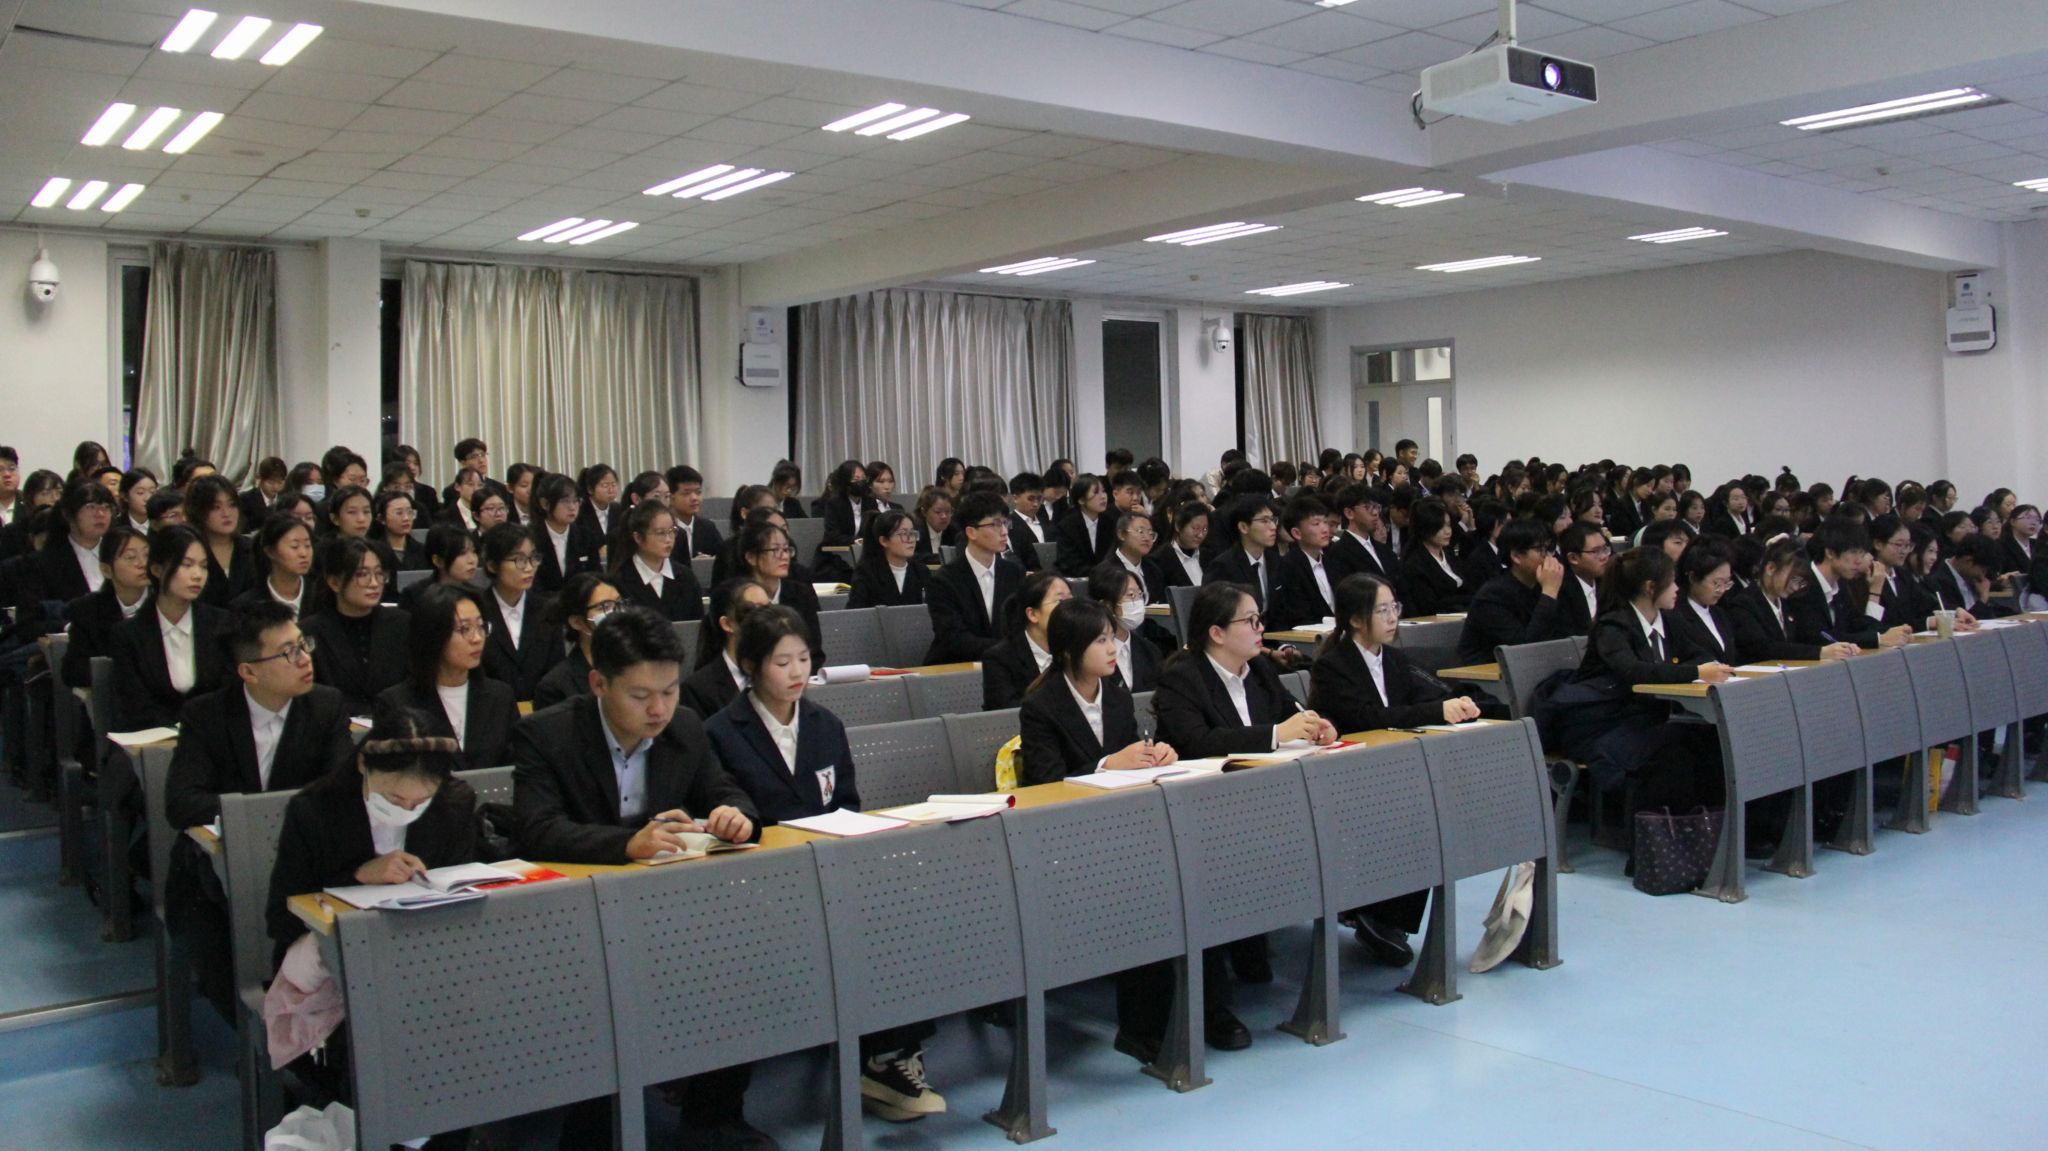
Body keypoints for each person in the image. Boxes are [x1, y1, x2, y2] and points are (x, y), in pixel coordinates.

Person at [511, 606, 766, 1150]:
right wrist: (625, 844)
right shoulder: (546, 734)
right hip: (576, 917)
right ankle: (594, 1134)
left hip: (666, 911)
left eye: (669, 692)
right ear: (598, 684)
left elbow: (724, 790)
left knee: (739, 960)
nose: (658, 709)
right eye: (640, 695)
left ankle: (713, 1119)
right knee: (601, 997)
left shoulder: (685, 727)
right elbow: (536, 829)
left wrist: (735, 816)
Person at [164, 600, 354, 1017]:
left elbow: (339, 794)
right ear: (248, 672)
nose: (304, 659)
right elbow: (181, 802)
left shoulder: (326, 707)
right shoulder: (206, 715)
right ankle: (265, 1041)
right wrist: (256, 817)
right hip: (215, 872)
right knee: (225, 965)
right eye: (288, 652)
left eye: (303, 644)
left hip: (304, 866)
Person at [1153, 582, 1337, 1010]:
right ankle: (1214, 996)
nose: (1260, 629)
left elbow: (1292, 714)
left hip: (1258, 804)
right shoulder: (1183, 676)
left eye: (1260, 620)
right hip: (1199, 811)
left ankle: (1254, 941)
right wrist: (1275, 735)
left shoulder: (1260, 670)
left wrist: (1317, 726)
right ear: (1217, 633)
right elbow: (1197, 742)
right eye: (1250, 621)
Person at [1308, 572, 1478, 963]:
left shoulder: (1395, 659)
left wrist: (1456, 704)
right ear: (1356, 619)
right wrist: (1436, 711)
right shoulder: (1333, 665)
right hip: (1348, 775)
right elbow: (1368, 717)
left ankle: (1387, 917)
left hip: (1393, 771)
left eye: (1394, 608)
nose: (1392, 618)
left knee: (1429, 815)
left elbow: (1422, 698)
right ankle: (1375, 914)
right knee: (1412, 813)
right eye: (1381, 610)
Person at [1553, 549, 1732, 854]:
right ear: (1650, 587)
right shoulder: (1612, 626)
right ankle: (1656, 848)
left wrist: (1699, 667)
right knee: (1672, 752)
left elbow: (1700, 653)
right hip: (1600, 724)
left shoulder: (1668, 619)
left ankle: (1707, 839)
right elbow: (1634, 672)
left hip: (1644, 718)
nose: (1677, 589)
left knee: (1706, 740)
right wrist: (1695, 672)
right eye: (1671, 582)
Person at [375, 584, 514, 773]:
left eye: (481, 627)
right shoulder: (395, 704)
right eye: (464, 629)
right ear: (434, 635)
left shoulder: (501, 697)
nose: (477, 638)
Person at [109, 525, 233, 730]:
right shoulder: (128, 634)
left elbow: (228, 692)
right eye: (186, 564)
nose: (197, 575)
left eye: (203, 566)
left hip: (212, 734)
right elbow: (135, 704)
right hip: (154, 737)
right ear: (157, 569)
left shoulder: (222, 624)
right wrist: (174, 731)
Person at [300, 537, 410, 715]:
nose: (374, 583)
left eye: (379, 573)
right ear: (335, 582)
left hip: (395, 721)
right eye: (362, 574)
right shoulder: (310, 631)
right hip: (336, 724)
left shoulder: (402, 623)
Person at [1724, 536, 1864, 662]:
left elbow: (1806, 636)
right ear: (1771, 568)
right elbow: (1765, 648)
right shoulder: (1744, 604)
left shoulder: (1789, 603)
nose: (1796, 587)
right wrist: (1820, 652)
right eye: (1793, 579)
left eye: (1800, 582)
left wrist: (1839, 647)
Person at [923, 491, 1024, 664]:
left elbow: (1020, 626)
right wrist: (1008, 649)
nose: (1004, 532)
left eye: (1005, 523)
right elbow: (954, 638)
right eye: (995, 524)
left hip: (1005, 665)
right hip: (956, 665)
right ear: (971, 532)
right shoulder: (944, 580)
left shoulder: (1014, 573)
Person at [1455, 519, 1572, 664]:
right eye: (1541, 550)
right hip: (1490, 672)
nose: (1549, 558)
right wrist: (1549, 593)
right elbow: (1525, 649)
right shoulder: (1493, 596)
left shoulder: (1543, 585)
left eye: (1550, 550)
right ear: (1516, 556)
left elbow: (1566, 635)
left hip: (1539, 668)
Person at [1788, 521, 1910, 650]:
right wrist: (1879, 639)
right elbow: (1819, 636)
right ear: (1830, 553)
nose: (1859, 561)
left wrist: (1892, 631)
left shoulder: (1840, 583)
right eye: (1853, 552)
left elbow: (1857, 623)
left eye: (1861, 553)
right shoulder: (1800, 583)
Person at [60, 525, 152, 693]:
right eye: (131, 557)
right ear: (106, 570)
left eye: (147, 555)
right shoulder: (87, 610)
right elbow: (73, 671)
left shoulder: (167, 602)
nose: (143, 564)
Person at [477, 522, 560, 702]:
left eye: (533, 558)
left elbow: (556, 670)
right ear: (492, 565)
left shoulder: (547, 610)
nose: (529, 567)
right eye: (519, 560)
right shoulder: (477, 611)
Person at [737, 519, 825, 663]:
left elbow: (814, 651)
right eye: (775, 550)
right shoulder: (738, 596)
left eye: (786, 549)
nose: (784, 556)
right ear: (751, 557)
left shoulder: (801, 594)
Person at [980, 571, 1071, 709]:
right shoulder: (999, 659)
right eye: (1060, 601)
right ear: (1032, 614)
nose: (1070, 609)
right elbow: (1006, 712)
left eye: (1071, 601)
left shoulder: (1078, 649)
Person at [683, 579, 771, 718]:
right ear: (728, 624)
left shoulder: (778, 674)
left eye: (769, 610)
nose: (766, 621)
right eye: (752, 611)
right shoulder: (698, 689)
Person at [532, 573, 622, 710]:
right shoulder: (555, 686)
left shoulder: (640, 664)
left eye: (619, 603)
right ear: (577, 622)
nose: (615, 612)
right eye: (603, 607)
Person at [610, 499, 704, 621]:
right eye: (660, 533)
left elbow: (696, 625)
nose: (668, 540)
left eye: (672, 531)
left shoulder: (686, 577)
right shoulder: (619, 581)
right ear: (638, 538)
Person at [1085, 564, 1165, 692]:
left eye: (1140, 594)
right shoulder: (1089, 653)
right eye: (1131, 595)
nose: (1138, 602)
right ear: (1106, 605)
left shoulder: (1150, 651)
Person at [1665, 538, 1743, 665]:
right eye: (1716, 583)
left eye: (1727, 583)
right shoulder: (1675, 615)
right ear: (1693, 577)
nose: (1722, 590)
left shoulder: (1720, 613)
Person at [1205, 496, 1284, 613]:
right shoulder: (1223, 567)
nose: (1273, 527)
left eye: (1273, 520)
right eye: (1264, 521)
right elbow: (1215, 613)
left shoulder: (1276, 561)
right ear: (1243, 527)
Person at [231, 512, 315, 616]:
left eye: (307, 545)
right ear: (270, 551)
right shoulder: (246, 606)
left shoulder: (320, 596)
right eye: (294, 546)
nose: (304, 553)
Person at [845, 510, 929, 608]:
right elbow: (856, 613)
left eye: (912, 533)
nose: (911, 539)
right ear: (884, 541)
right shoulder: (867, 573)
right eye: (903, 534)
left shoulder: (921, 571)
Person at [531, 472, 597, 596]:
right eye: (565, 501)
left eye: (576, 501)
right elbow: (533, 586)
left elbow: (595, 578)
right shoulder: (530, 538)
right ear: (545, 504)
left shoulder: (586, 536)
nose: (572, 507)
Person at [402, 523, 480, 611]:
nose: (472, 560)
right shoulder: (415, 595)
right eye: (462, 553)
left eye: (473, 551)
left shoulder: (477, 595)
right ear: (438, 561)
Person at [1556, 522, 1611, 635]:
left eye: (1605, 549)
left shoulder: (1610, 582)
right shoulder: (1560, 590)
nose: (1604, 557)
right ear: (1573, 558)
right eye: (1596, 551)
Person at [1053, 475, 1114, 576]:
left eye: (1103, 491)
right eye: (1096, 493)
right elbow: (1069, 563)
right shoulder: (1067, 526)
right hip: (1077, 579)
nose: (1103, 497)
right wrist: (1099, 573)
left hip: (1107, 579)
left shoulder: (1110, 522)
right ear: (1081, 500)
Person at [666, 464, 724, 559]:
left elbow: (724, 558)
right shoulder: (665, 529)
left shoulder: (708, 528)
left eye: (698, 492)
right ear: (671, 498)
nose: (694, 498)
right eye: (686, 493)